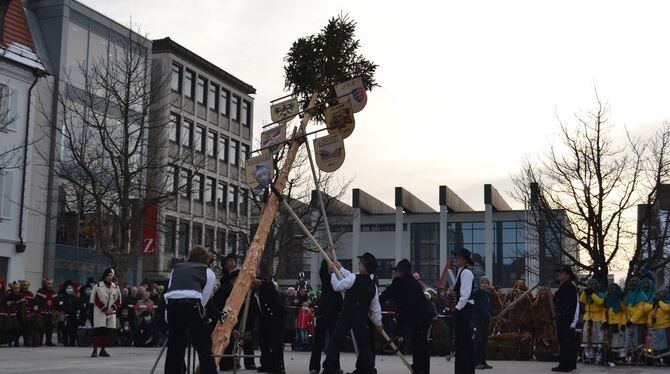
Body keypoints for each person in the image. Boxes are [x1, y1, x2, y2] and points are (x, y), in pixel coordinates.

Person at [322, 252, 383, 374]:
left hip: (347, 315)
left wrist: (333, 273)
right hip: (361, 317)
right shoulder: (373, 286)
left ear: (365, 266)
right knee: (364, 344)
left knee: (335, 341)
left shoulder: (355, 278)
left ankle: (328, 368)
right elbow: (376, 307)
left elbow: (337, 286)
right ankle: (370, 370)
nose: (359, 265)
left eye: (361, 263)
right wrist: (378, 323)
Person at [163, 245, 217, 374]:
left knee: (175, 347)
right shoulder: (208, 272)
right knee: (203, 347)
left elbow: (171, 289)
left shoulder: (176, 268)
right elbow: (204, 298)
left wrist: (167, 315)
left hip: (173, 305)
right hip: (192, 304)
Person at [379, 259, 435, 374]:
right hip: (425, 314)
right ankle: (422, 368)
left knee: (418, 343)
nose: (395, 274)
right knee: (422, 343)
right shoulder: (413, 282)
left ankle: (420, 369)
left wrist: (374, 302)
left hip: (418, 316)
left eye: (396, 271)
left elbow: (386, 296)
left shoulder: (399, 281)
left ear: (400, 271)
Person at [309, 251, 343, 374]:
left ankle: (334, 366)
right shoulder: (326, 277)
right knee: (318, 341)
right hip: (324, 311)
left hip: (335, 313)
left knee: (335, 341)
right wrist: (328, 254)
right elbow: (324, 270)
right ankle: (314, 367)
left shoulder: (340, 278)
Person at [255, 277, 287, 374]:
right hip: (265, 319)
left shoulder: (267, 288)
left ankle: (277, 367)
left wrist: (262, 282)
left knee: (275, 343)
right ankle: (266, 364)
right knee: (264, 343)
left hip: (276, 317)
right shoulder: (254, 294)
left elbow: (270, 286)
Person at [452, 248, 475, 374]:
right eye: (456, 257)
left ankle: (465, 370)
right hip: (463, 308)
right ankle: (462, 370)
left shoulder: (466, 273)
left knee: (464, 341)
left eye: (459, 257)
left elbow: (465, 294)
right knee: (461, 341)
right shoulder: (461, 272)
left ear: (465, 260)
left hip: (465, 309)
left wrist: (457, 308)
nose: (456, 259)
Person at [552, 265, 579, 372]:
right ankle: (569, 364)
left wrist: (560, 315)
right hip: (565, 318)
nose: (560, 274)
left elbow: (567, 304)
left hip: (566, 319)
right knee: (567, 342)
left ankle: (565, 365)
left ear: (567, 275)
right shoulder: (566, 286)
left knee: (565, 343)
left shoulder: (568, 287)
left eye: (562, 273)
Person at [90, 268, 122, 357]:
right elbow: (95, 299)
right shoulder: (98, 286)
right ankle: (95, 350)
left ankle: (103, 349)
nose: (109, 277)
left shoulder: (115, 287)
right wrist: (105, 309)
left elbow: (118, 300)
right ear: (105, 276)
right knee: (98, 331)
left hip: (111, 313)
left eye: (111, 275)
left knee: (108, 331)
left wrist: (112, 308)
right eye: (108, 275)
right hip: (100, 312)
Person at [579, 279, 605, 363]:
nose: (593, 286)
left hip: (598, 319)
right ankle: (588, 355)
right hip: (588, 318)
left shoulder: (601, 294)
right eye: (591, 285)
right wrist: (585, 292)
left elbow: (600, 302)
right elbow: (582, 300)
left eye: (594, 285)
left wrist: (592, 294)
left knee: (598, 339)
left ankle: (598, 356)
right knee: (587, 337)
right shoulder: (587, 294)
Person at [603, 283, 627, 367]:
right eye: (611, 289)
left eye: (614, 289)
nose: (612, 291)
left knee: (619, 343)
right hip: (610, 325)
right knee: (610, 343)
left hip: (619, 325)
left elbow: (624, 313)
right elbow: (604, 312)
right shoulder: (607, 300)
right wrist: (604, 322)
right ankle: (610, 359)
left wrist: (623, 324)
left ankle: (619, 358)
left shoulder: (620, 301)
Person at [472, 276, 493, 370]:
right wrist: (486, 315)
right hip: (478, 321)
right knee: (478, 341)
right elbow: (479, 308)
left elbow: (488, 308)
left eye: (486, 283)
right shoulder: (476, 293)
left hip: (485, 321)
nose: (484, 284)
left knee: (484, 341)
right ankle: (476, 362)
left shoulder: (487, 295)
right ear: (480, 284)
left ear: (489, 285)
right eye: (483, 282)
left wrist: (489, 316)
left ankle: (483, 362)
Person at [35, 278, 58, 346]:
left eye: (51, 284)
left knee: (50, 328)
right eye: (48, 283)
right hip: (42, 313)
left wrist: (56, 312)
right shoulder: (40, 291)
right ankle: (40, 341)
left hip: (50, 314)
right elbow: (37, 302)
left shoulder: (53, 293)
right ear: (45, 284)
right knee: (41, 328)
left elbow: (56, 303)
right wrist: (38, 313)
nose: (50, 285)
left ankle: (49, 341)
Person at [56, 280, 79, 346]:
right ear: (65, 289)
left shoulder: (75, 298)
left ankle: (72, 342)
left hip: (73, 316)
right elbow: (60, 305)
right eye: (68, 288)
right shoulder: (61, 297)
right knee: (64, 329)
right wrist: (66, 309)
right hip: (65, 315)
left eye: (71, 288)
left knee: (73, 329)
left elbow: (77, 306)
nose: (70, 290)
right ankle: (65, 341)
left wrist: (74, 310)